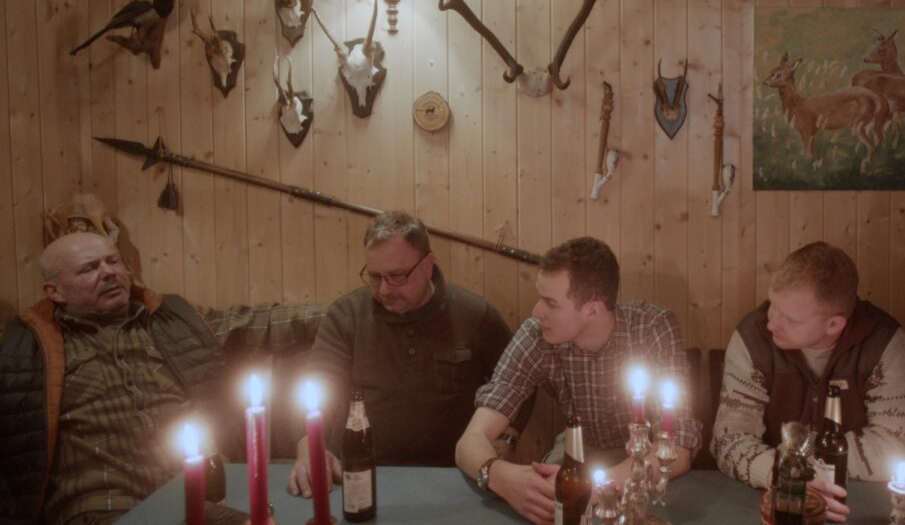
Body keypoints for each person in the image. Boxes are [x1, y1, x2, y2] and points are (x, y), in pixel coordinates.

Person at [0, 231, 325, 525]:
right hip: (103, 503)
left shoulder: (172, 320)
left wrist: (344, 311)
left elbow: (259, 322)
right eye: (89, 268)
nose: (109, 272)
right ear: (54, 291)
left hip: (196, 486)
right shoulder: (27, 350)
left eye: (113, 260)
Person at [455, 236, 701, 525]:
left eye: (550, 303)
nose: (536, 311)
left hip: (641, 459)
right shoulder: (536, 334)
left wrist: (591, 486)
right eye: (540, 297)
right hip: (576, 450)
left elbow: (677, 450)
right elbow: (470, 441)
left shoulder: (651, 328)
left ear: (592, 310)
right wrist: (499, 475)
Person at [289, 211, 525, 497]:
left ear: (427, 265)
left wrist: (508, 437)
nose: (384, 289)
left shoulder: (476, 316)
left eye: (397, 276)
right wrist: (309, 445)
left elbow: (520, 379)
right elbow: (318, 383)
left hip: (454, 478)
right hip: (361, 475)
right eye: (375, 276)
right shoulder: (347, 315)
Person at [711, 241, 905, 523]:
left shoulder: (884, 343)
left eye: (790, 318)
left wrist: (799, 466)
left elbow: (895, 447)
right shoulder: (752, 338)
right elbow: (728, 441)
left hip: (859, 503)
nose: (771, 323)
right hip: (767, 500)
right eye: (773, 305)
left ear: (834, 324)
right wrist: (785, 478)